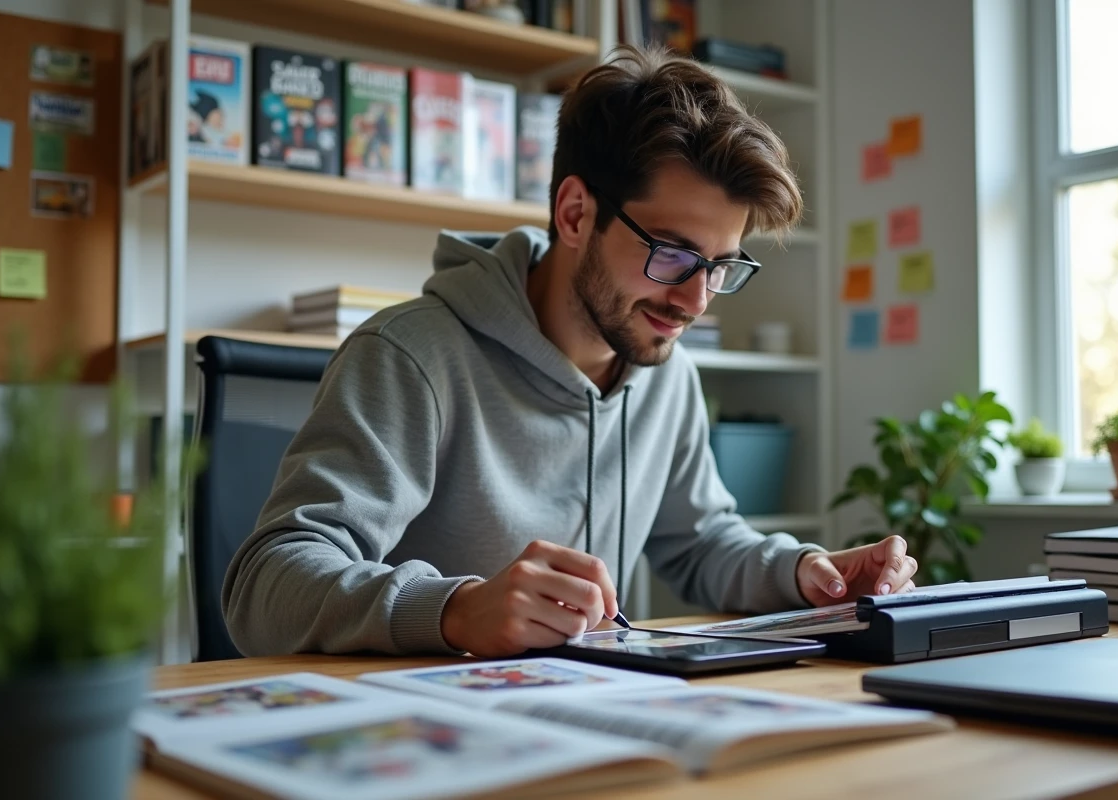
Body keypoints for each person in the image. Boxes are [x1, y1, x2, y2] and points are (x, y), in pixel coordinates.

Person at [223, 45, 918, 659]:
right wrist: (456, 610)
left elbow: (701, 542)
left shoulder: (664, 369)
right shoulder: (409, 356)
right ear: (575, 213)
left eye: (721, 266)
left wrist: (805, 573)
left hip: (586, 719)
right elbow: (265, 585)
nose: (696, 300)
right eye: (673, 253)